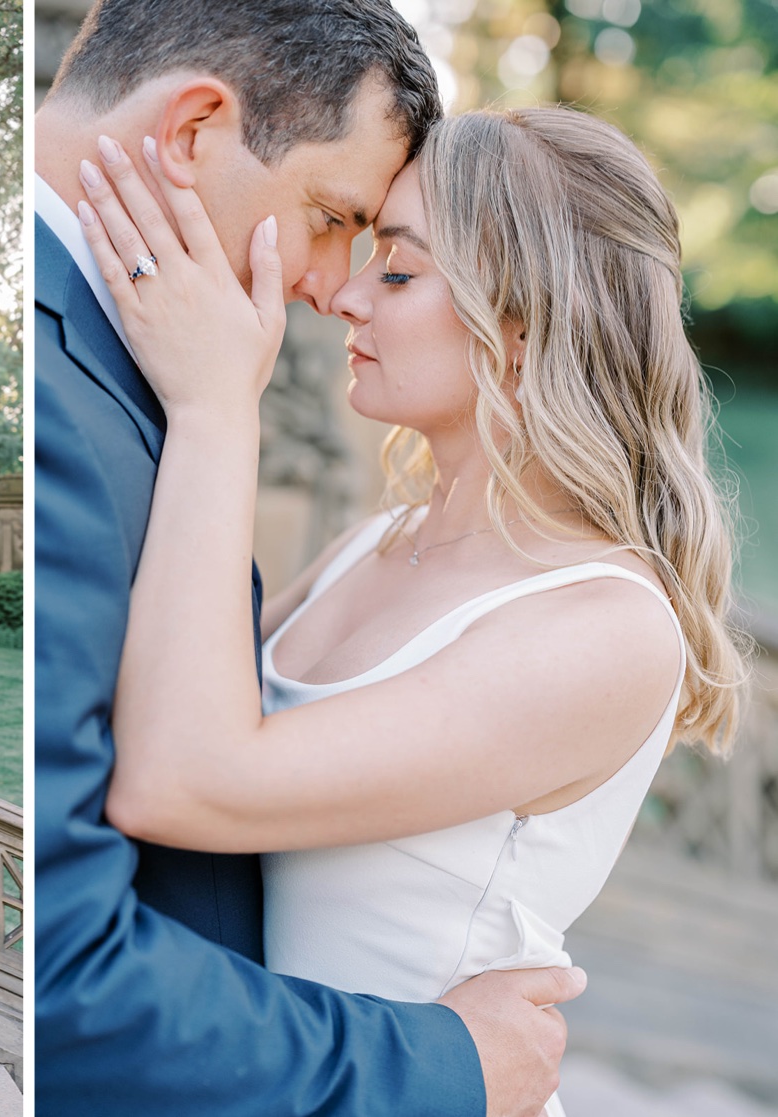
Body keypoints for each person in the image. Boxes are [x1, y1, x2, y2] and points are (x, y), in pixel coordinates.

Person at [78, 107, 746, 1117]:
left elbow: (182, 780)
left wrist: (218, 406)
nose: (342, 296)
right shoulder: (372, 542)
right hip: (282, 1075)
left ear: (522, 323)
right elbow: (166, 703)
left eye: (395, 270)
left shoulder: (604, 628)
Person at [35, 3, 586, 1115]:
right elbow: (49, 963)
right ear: (193, 131)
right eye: (332, 218)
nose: (333, 286)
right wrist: (441, 1067)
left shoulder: (129, 370)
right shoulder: (57, 398)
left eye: (385, 257)